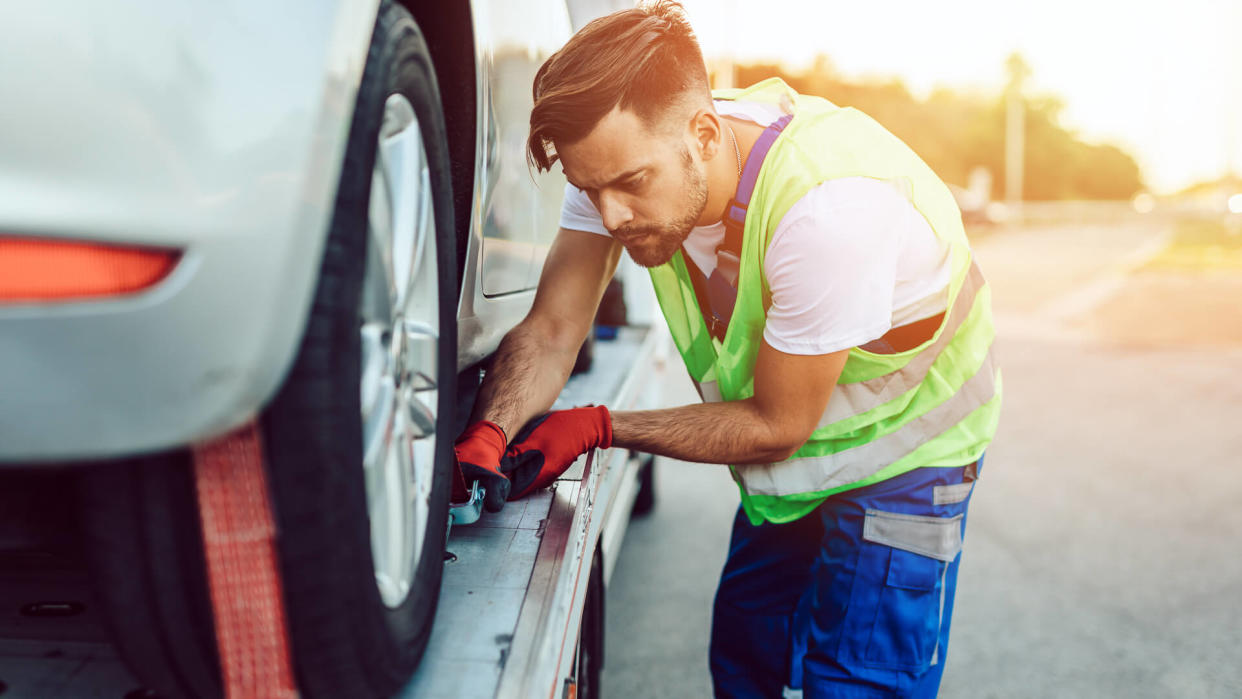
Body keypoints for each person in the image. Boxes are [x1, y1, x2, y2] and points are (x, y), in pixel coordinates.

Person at [452, 2, 1001, 696]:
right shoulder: (625, 159)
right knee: (746, 655)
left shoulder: (826, 212)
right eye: (590, 189)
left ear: (704, 134)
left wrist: (603, 426)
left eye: (629, 185)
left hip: (908, 459)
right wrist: (488, 429)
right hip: (805, 454)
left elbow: (777, 425)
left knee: (854, 682)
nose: (611, 216)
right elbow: (555, 329)